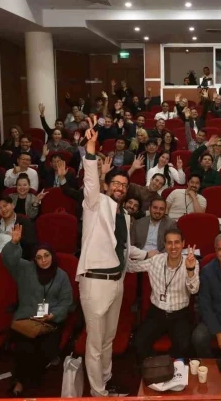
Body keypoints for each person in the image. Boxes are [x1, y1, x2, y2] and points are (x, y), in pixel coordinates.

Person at [77, 119, 134, 397]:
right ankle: (97, 393)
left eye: (124, 185)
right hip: (95, 282)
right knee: (95, 344)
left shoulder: (124, 215)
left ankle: (107, 381)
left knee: (109, 339)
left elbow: (124, 250)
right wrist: (91, 149)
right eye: (116, 183)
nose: (120, 187)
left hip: (116, 282)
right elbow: (90, 182)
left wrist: (154, 255)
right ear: (107, 185)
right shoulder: (95, 203)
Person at [2, 227, 73, 396]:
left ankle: (30, 376)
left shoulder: (61, 276)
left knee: (45, 349)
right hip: (25, 321)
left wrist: (53, 315)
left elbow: (66, 302)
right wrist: (14, 243)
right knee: (25, 348)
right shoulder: (25, 269)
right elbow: (8, 260)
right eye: (39, 257)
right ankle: (20, 382)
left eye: (46, 255)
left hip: (49, 323)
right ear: (34, 259)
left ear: (52, 256)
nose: (43, 260)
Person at [129, 230, 199, 362]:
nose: (173, 247)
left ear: (183, 244)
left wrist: (190, 270)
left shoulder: (191, 262)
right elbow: (131, 267)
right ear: (165, 245)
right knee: (138, 343)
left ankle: (172, 368)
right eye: (169, 243)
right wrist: (119, 253)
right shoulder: (155, 260)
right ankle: (157, 367)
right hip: (156, 313)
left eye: (177, 242)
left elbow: (194, 290)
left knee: (185, 347)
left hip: (180, 315)